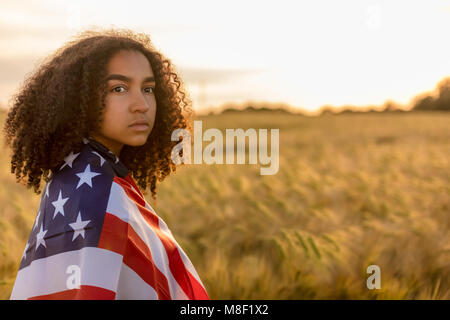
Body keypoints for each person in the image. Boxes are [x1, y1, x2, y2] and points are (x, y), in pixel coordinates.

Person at [3, 28, 209, 300]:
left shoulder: (80, 175)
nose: (142, 104)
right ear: (80, 99)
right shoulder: (97, 192)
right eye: (119, 88)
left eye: (148, 89)